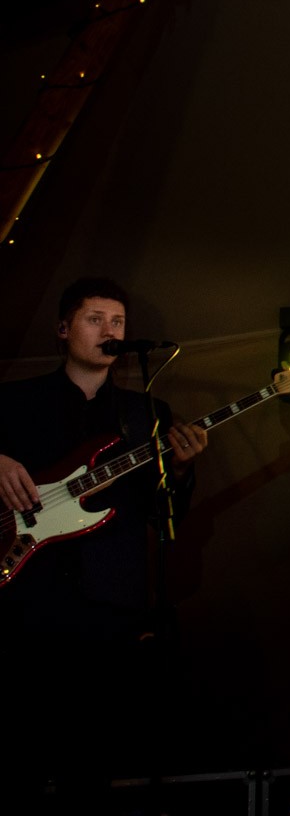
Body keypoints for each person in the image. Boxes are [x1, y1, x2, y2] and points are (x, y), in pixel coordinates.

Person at [0, 276, 207, 798]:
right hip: (27, 597)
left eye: (117, 322)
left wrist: (181, 471)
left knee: (91, 763)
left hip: (109, 602)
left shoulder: (146, 414)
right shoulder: (15, 401)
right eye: (95, 320)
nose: (110, 331)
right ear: (63, 328)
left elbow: (162, 515)